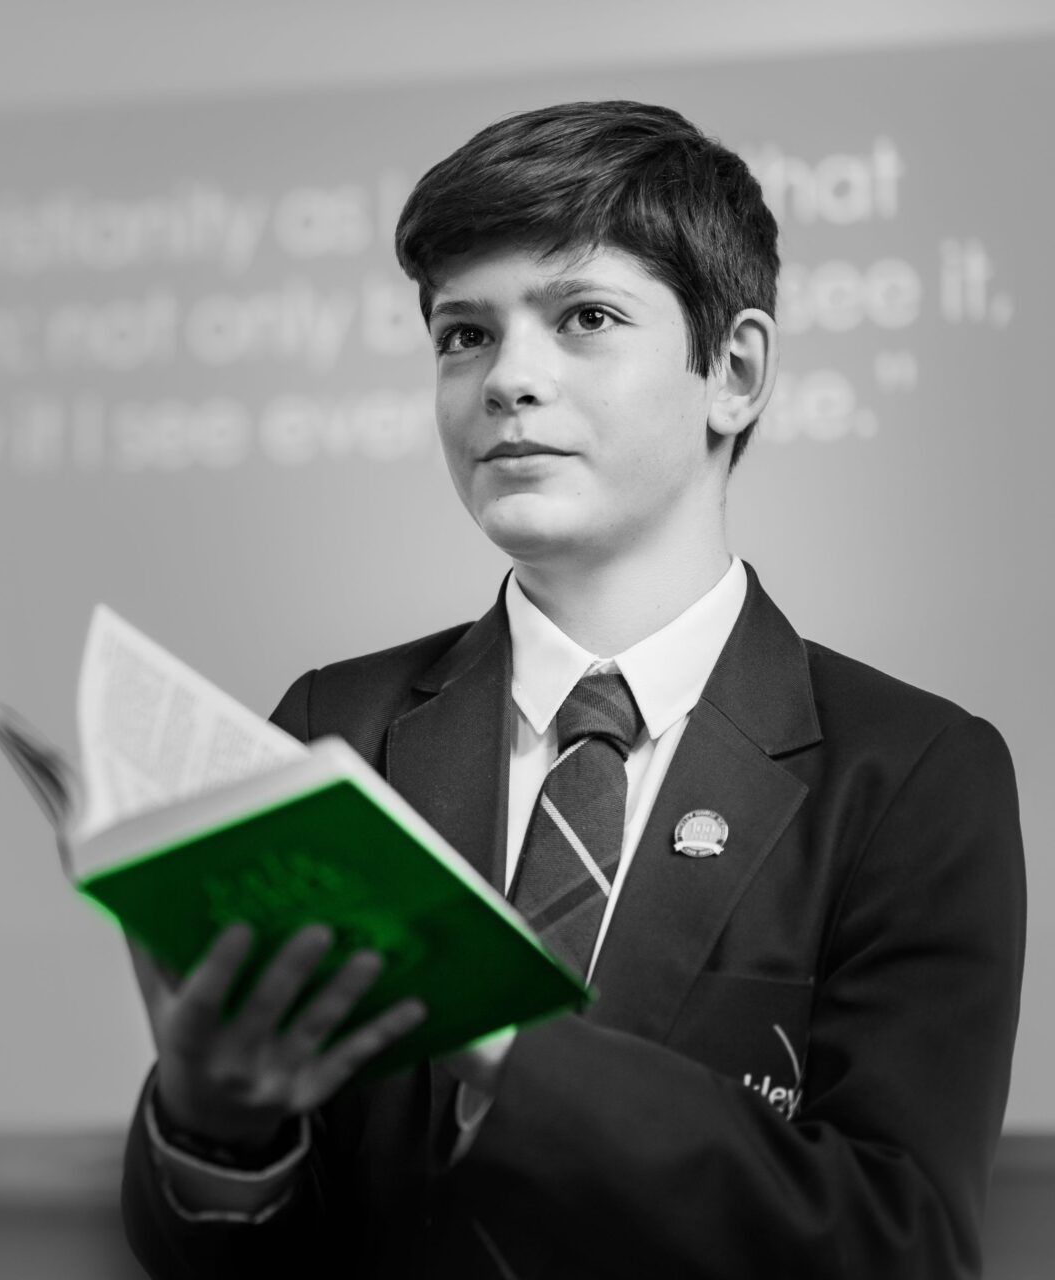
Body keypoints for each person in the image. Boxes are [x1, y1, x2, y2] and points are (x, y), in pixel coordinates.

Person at [118, 100, 1025, 1279]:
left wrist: (504, 1037)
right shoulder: (332, 729)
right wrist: (212, 1122)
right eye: (464, 335)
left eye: (585, 317)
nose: (508, 379)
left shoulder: (909, 774)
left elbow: (898, 1244)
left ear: (735, 371)